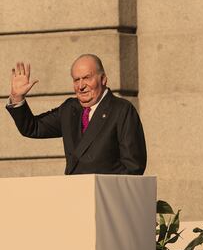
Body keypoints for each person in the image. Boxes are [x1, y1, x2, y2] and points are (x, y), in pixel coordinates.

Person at [6, 54, 146, 175]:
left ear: (103, 79)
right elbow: (33, 127)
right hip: (74, 195)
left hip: (106, 198)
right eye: (76, 80)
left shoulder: (121, 110)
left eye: (86, 78)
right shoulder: (69, 109)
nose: (81, 86)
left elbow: (133, 166)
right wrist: (17, 97)